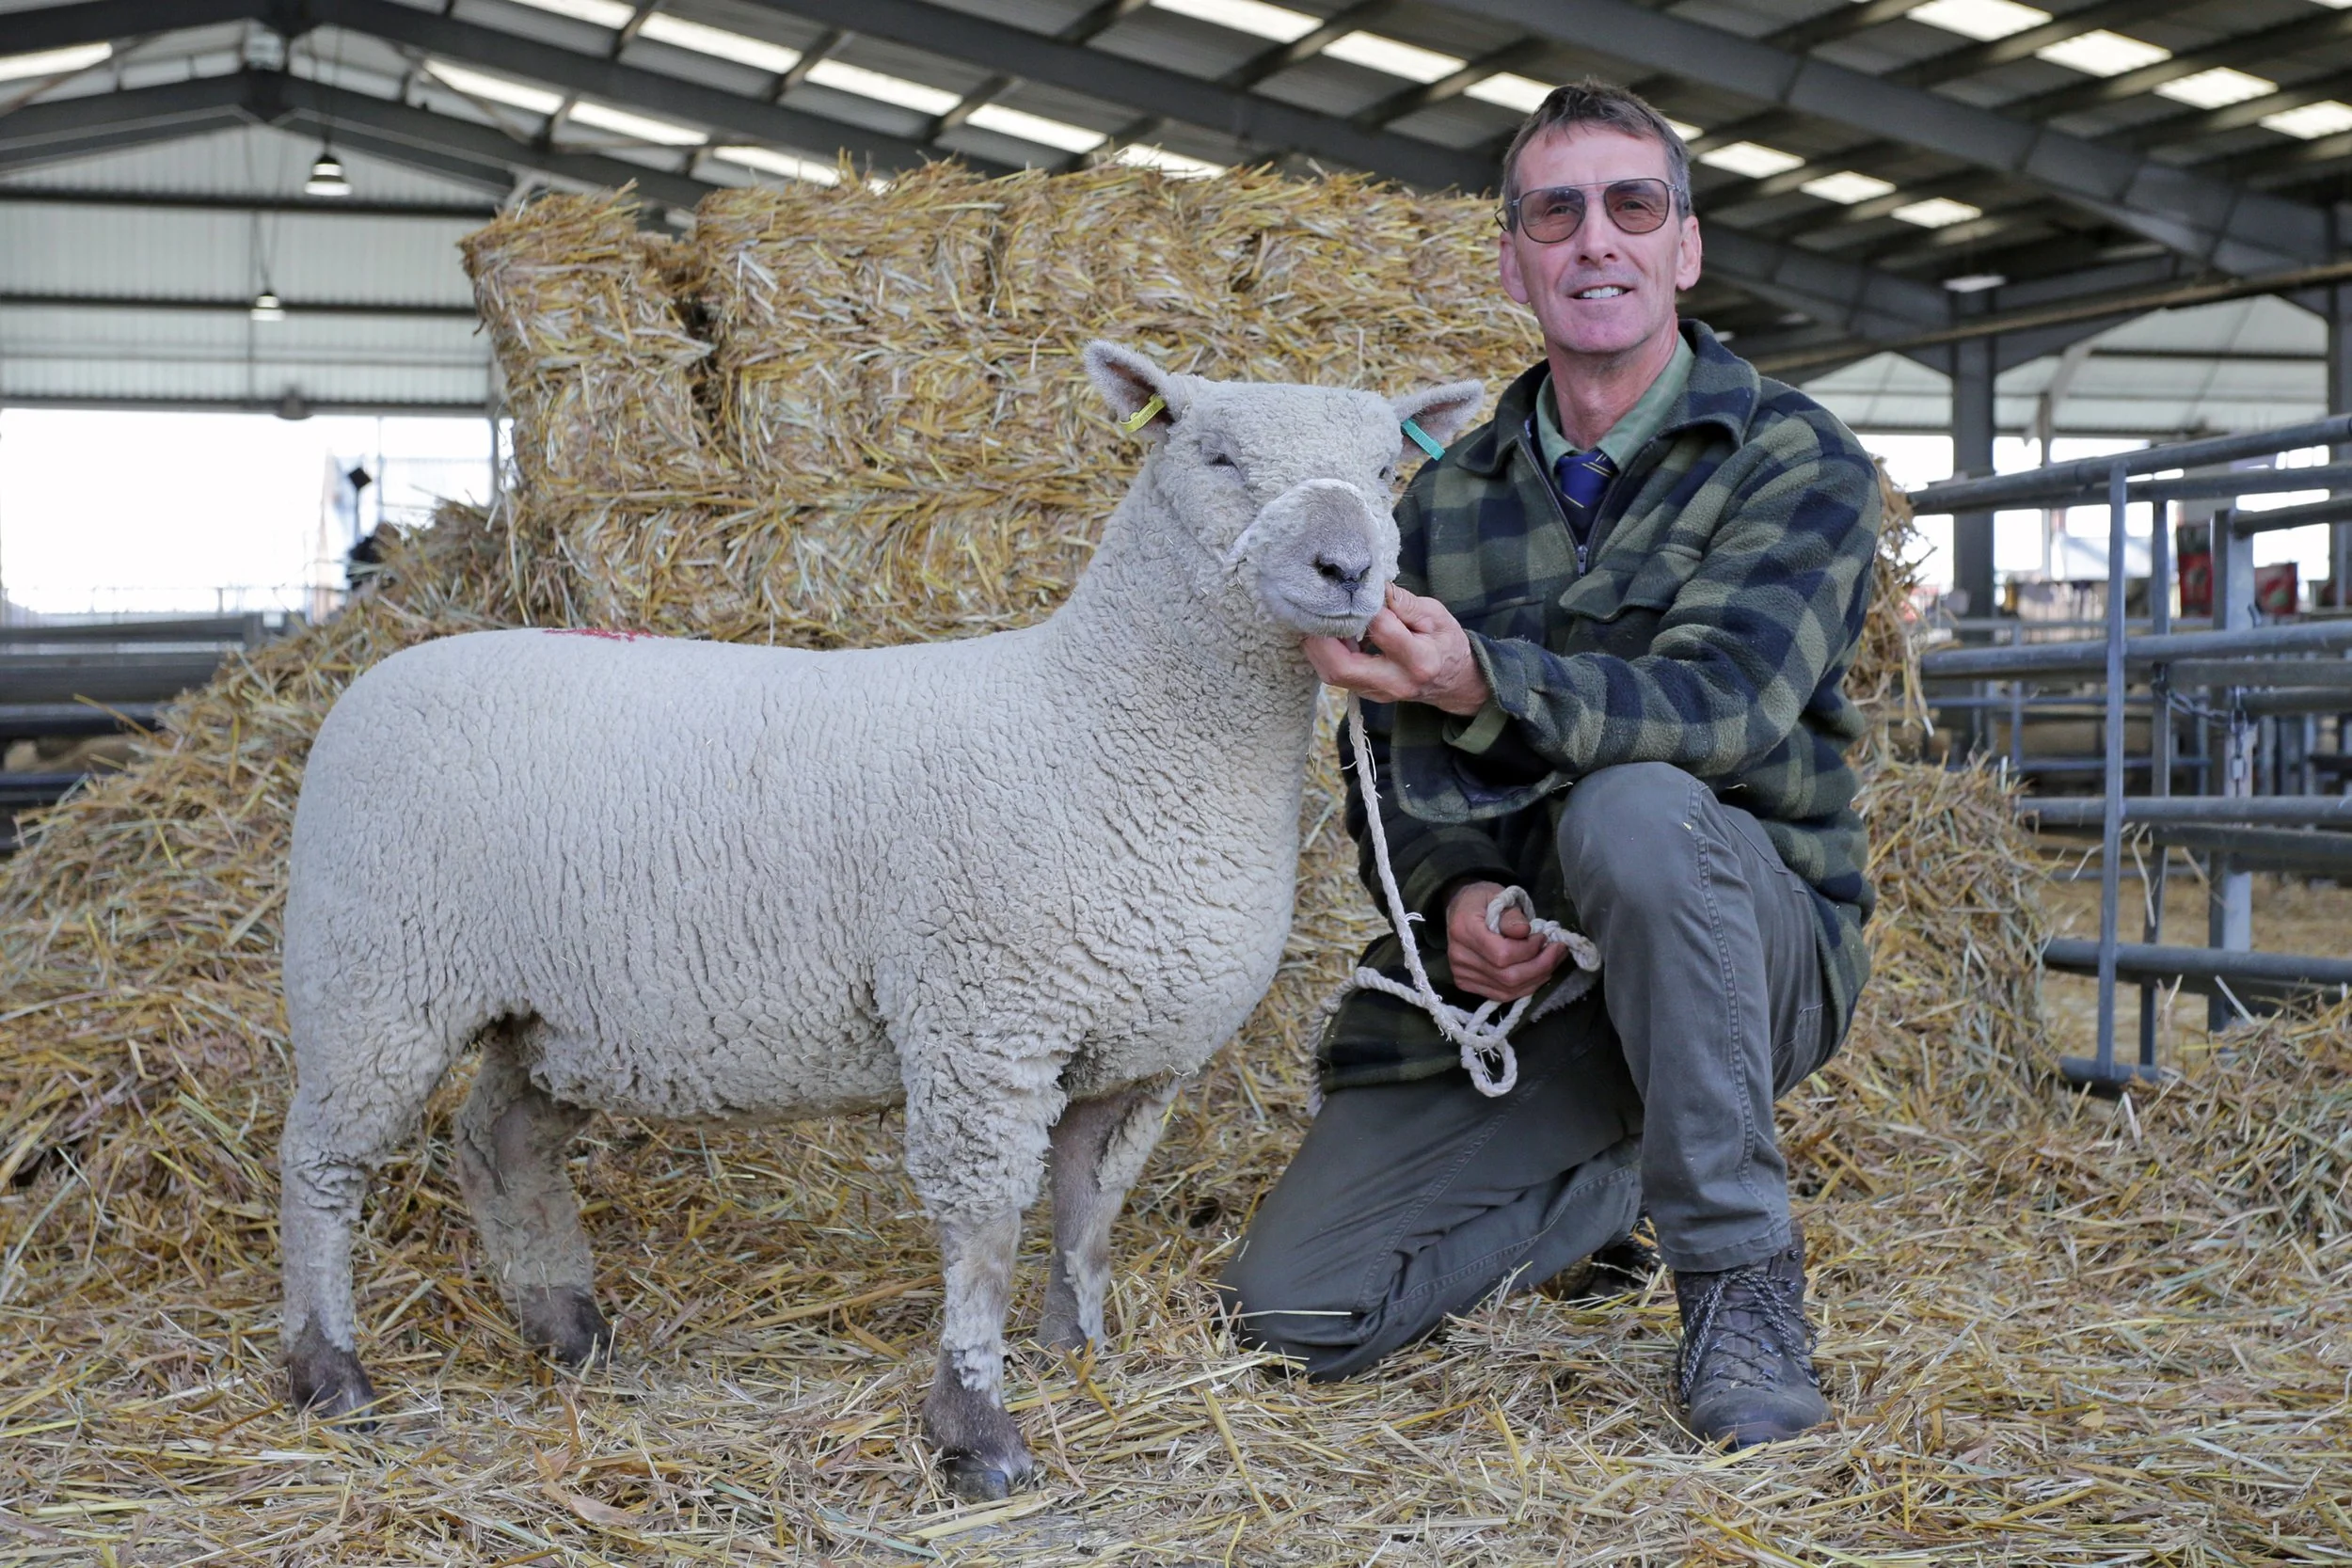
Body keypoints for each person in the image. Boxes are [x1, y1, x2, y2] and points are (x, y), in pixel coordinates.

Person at [1217, 78, 1883, 1450]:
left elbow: (1726, 705)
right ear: (1514, 255)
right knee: (1296, 1310)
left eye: (1633, 206)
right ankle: (1623, 1174)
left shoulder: (1790, 457)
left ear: (1683, 247)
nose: (1597, 240)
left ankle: (1739, 1282)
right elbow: (1389, 773)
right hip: (1548, 996)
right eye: (1556, 212)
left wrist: (1481, 674)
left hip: (1752, 952)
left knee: (1638, 809)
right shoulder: (1445, 501)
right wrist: (1458, 894)